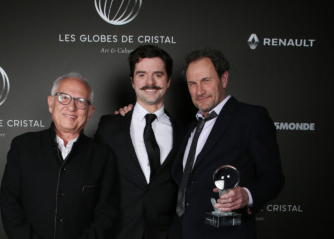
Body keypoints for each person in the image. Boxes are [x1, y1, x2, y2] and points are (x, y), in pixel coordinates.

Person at [169, 48, 284, 239]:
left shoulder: (251, 118)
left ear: (224, 79)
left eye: (206, 80)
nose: (200, 91)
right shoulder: (190, 127)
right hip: (181, 232)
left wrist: (247, 195)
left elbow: (273, 178)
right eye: (192, 83)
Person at [0, 73, 119, 239]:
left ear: (90, 111)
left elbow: (106, 214)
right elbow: (10, 205)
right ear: (51, 103)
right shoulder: (23, 146)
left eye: (81, 101)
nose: (71, 107)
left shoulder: (103, 156)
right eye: (64, 98)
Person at [94, 45, 184, 239]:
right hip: (118, 233)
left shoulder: (184, 133)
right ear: (132, 81)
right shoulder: (109, 127)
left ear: (168, 81)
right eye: (142, 75)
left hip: (166, 234)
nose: (149, 82)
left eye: (158, 75)